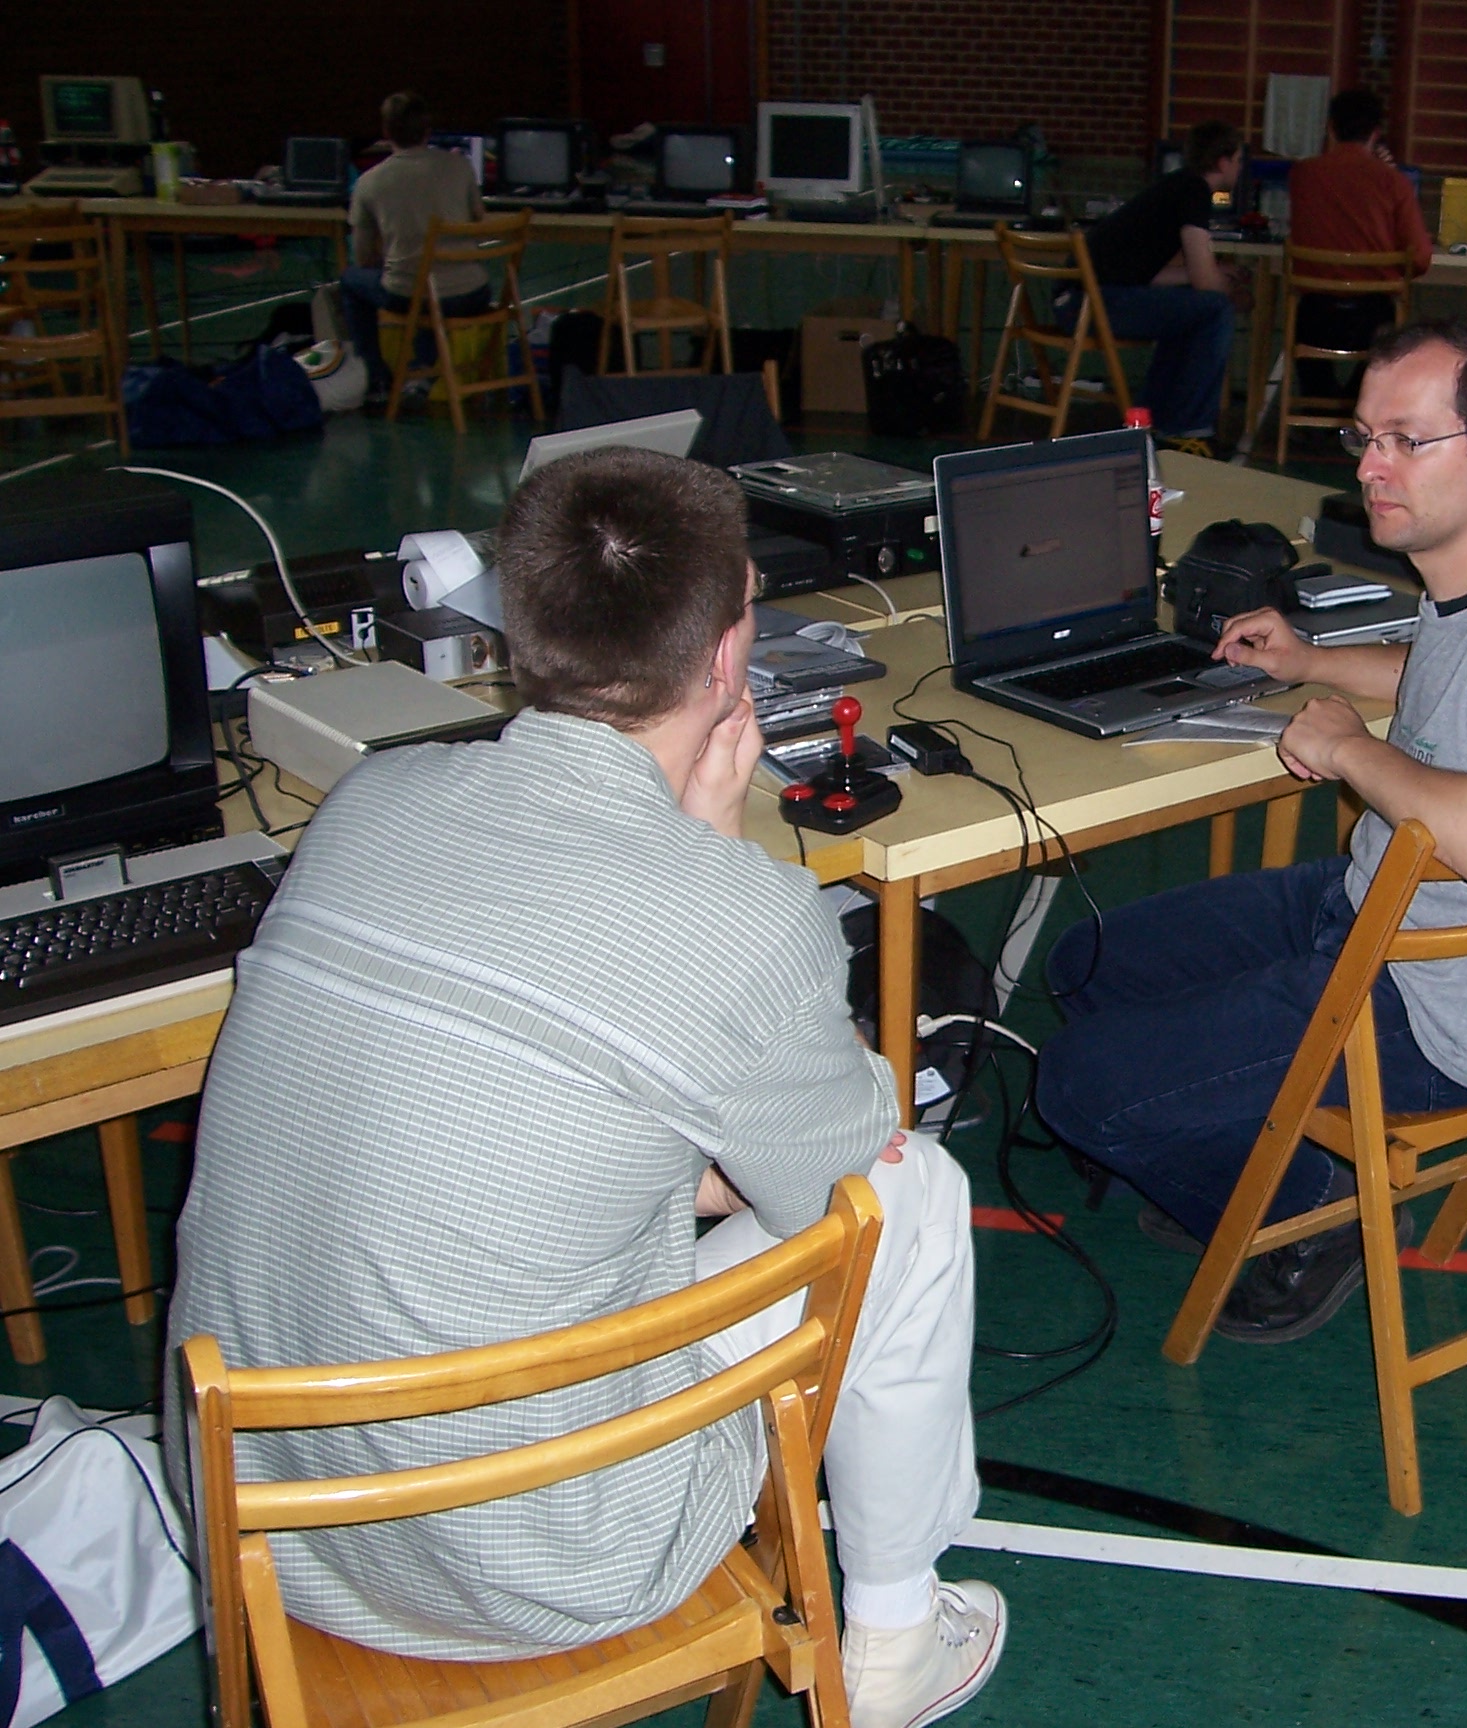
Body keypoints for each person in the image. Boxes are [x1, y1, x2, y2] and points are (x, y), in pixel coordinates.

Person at [163, 450, 1004, 1728]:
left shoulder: (371, 800)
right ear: (728, 654)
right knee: (914, 1191)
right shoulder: (739, 915)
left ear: (517, 633)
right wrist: (718, 855)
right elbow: (843, 1165)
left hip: (261, 1524)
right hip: (547, 1566)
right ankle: (892, 1641)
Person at [1036, 319, 1467, 1344]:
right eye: (1365, 438)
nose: (1371, 468)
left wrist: (1348, 751)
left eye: (1406, 440)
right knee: (1087, 964)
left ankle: (1311, 1216)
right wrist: (1310, 663)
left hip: (1449, 1008)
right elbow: (1452, 676)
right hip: (1384, 909)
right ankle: (1243, 1159)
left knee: (1078, 1086)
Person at [1081, 119, 1247, 447]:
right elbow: (1205, 281)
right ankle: (1190, 429)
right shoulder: (1195, 191)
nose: (1240, 168)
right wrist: (1234, 291)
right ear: (1223, 162)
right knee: (1216, 309)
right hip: (1096, 302)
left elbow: (1155, 275)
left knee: (1187, 311)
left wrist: (1217, 275)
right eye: (1238, 160)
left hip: (1083, 299)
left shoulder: (1176, 186)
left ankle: (1151, 419)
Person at [340, 90, 491, 406]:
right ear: (427, 130)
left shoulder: (369, 182)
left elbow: (363, 257)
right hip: (471, 292)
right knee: (426, 281)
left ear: (385, 132)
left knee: (353, 281)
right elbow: (479, 220)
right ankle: (427, 369)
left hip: (413, 293)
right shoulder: (460, 166)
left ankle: (376, 377)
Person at [1282, 88, 1433, 400]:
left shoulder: (1302, 175)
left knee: (1300, 314)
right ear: (1375, 134)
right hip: (1373, 320)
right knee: (1395, 330)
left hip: (1313, 317)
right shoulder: (1394, 183)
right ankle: (1354, 402)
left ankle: (1317, 400)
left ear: (1330, 128)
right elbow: (1420, 258)